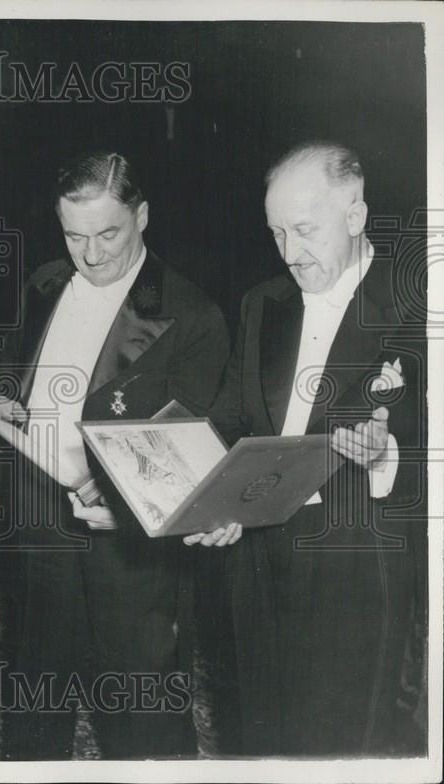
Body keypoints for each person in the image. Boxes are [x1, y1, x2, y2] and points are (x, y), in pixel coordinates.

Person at [0, 150, 230, 759]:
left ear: (141, 216)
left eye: (108, 233)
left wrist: (125, 494)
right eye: (74, 235)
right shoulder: (42, 283)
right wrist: (2, 395)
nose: (91, 255)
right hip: (38, 526)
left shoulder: (192, 315)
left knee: (142, 715)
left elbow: (197, 447)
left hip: (131, 551)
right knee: (35, 704)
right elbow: (10, 372)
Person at [201, 141, 427, 755]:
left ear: (355, 217)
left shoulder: (417, 309)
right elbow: (228, 419)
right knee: (263, 741)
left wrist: (385, 457)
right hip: (257, 560)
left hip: (358, 562)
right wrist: (206, 499)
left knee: (345, 747)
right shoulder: (261, 304)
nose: (290, 254)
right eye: (277, 234)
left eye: (305, 230)